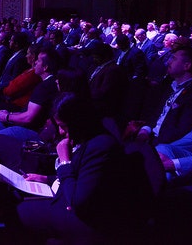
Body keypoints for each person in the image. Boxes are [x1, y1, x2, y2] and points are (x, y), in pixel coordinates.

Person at [10, 94, 143, 244]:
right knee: (17, 198)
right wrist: (47, 179)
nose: (60, 132)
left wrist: (64, 161)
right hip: (70, 200)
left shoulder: (101, 146)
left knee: (18, 211)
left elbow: (76, 201)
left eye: (63, 126)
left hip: (88, 220)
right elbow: (84, 176)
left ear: (78, 122)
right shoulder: (88, 138)